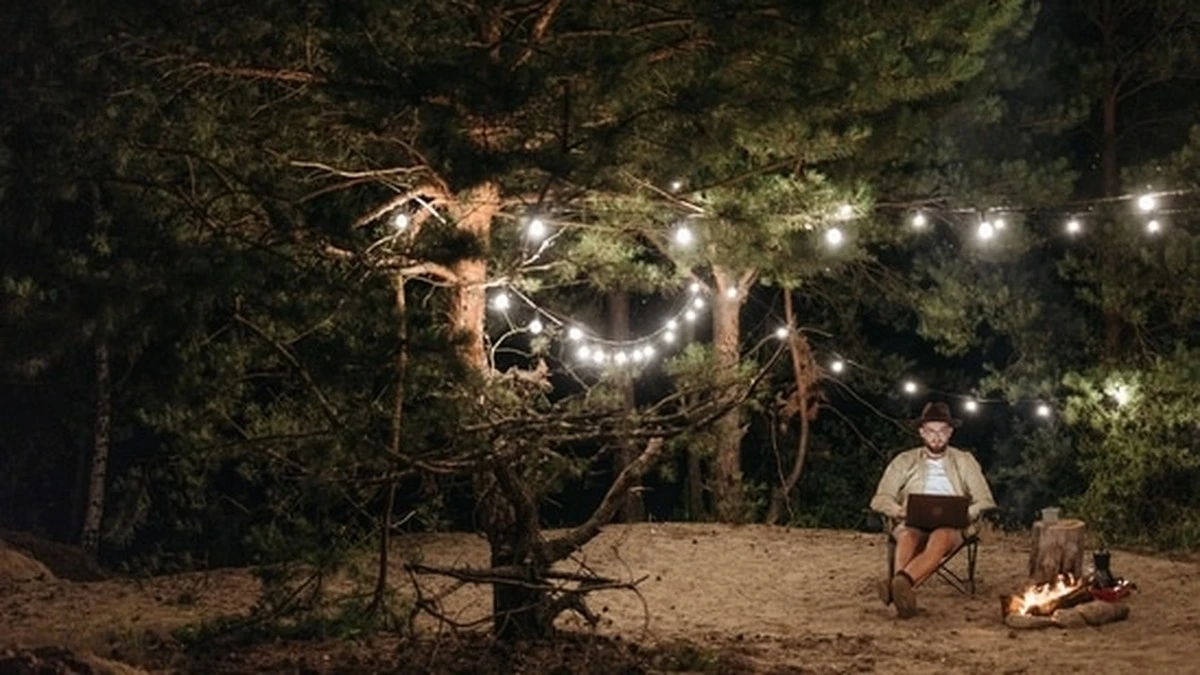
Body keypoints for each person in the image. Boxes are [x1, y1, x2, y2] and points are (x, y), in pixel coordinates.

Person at [869, 401, 996, 618]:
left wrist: (965, 513)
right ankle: (903, 589)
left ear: (950, 432)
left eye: (942, 431)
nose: (936, 437)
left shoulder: (964, 461)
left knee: (941, 535)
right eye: (931, 431)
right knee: (908, 535)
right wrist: (899, 511)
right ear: (921, 432)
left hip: (951, 525)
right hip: (910, 520)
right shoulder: (904, 460)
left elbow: (985, 500)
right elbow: (880, 499)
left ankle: (899, 583)